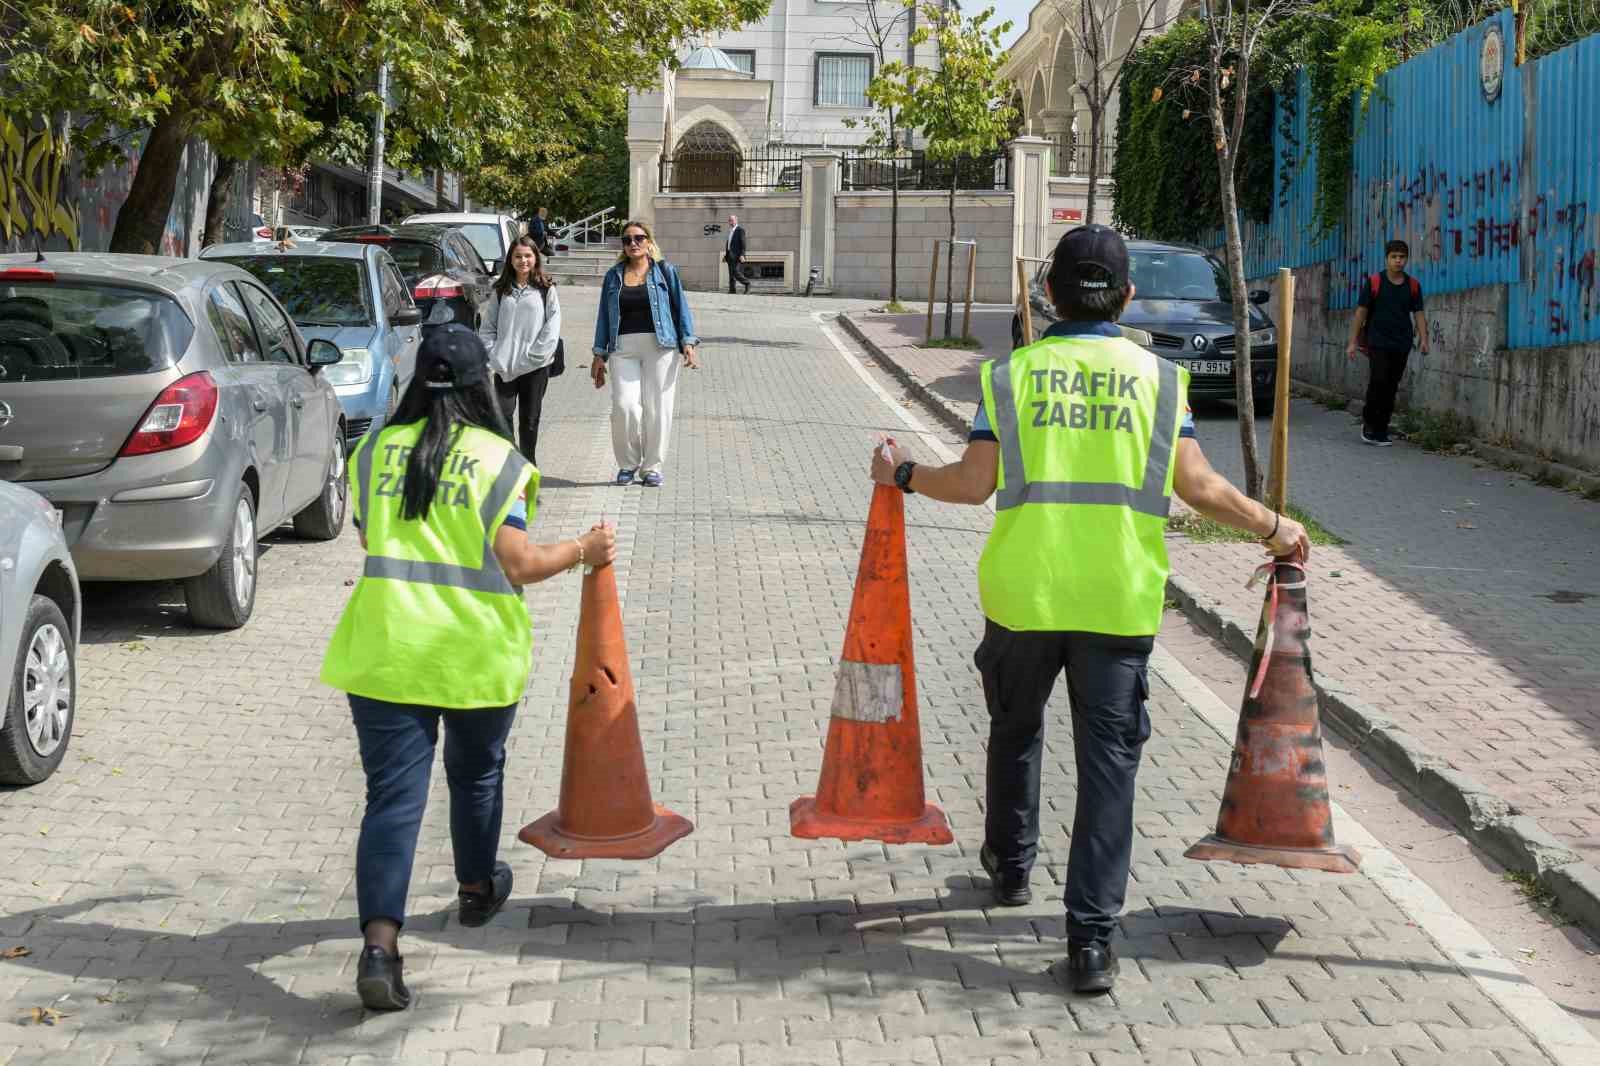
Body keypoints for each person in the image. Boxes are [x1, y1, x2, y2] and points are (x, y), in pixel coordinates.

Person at [868, 225, 1311, 996]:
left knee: (1014, 733)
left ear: (1049, 296)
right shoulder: (1158, 380)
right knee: (1109, 771)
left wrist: (901, 472)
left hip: (1023, 595)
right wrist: (1276, 527)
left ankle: (1010, 869)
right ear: (1129, 296)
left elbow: (974, 485)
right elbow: (1200, 489)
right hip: (1116, 601)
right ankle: (1092, 942)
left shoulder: (1011, 376)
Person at [320, 323, 616, 1011]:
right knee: (476, 773)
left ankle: (380, 947)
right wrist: (583, 548)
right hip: (473, 652)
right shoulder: (498, 459)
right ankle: (477, 889)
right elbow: (518, 562)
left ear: (420, 377)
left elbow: (369, 535)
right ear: (482, 381)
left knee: (392, 801)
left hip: (385, 650)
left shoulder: (373, 452)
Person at [591, 220, 700, 488]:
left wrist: (688, 343)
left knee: (658, 409)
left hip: (660, 347)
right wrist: (598, 354)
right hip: (622, 348)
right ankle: (628, 464)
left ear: (649, 242)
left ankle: (651, 467)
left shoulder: (665, 271)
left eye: (638, 238)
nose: (633, 244)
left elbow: (680, 307)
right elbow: (604, 317)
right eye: (627, 240)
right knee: (624, 406)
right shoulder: (613, 276)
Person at [481, 236, 561, 465]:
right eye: (518, 256)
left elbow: (552, 327)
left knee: (529, 421)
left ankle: (528, 465)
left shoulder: (546, 289)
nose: (523, 260)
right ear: (510, 260)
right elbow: (487, 328)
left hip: (535, 367)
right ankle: (511, 463)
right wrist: (494, 355)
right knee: (502, 417)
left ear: (535, 258)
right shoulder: (500, 290)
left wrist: (535, 356)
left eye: (528, 255)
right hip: (505, 367)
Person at [1345, 239, 1428, 446]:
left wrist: (1424, 339)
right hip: (1378, 341)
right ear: (1386, 258)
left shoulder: (1413, 285)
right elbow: (1360, 313)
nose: (1398, 261)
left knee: (1391, 386)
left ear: (1406, 259)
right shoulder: (1374, 282)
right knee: (1379, 380)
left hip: (1401, 343)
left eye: (1402, 257)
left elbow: (1418, 314)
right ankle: (1369, 425)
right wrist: (1352, 342)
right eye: (1394, 257)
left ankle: (1382, 429)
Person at [724, 213, 751, 295]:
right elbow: (729, 244)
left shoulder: (740, 230)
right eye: (729, 220)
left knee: (735, 272)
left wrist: (742, 254)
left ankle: (747, 283)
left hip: (737, 256)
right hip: (729, 255)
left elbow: (743, 243)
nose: (730, 222)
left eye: (732, 220)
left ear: (736, 221)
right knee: (731, 274)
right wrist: (726, 255)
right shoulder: (730, 231)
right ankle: (732, 290)